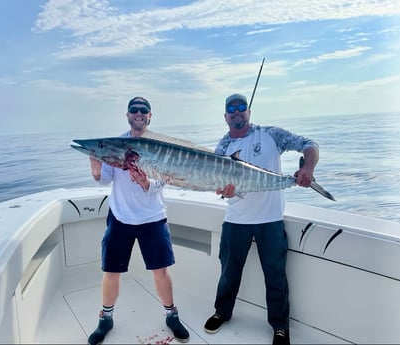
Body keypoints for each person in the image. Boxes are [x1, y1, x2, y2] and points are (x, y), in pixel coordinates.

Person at [204, 93, 320, 345]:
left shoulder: (270, 135)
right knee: (229, 272)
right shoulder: (222, 148)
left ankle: (280, 327)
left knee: (275, 275)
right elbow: (217, 185)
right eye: (231, 109)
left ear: (248, 112)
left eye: (241, 107)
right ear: (225, 116)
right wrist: (224, 191)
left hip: (270, 220)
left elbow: (309, 143)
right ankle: (221, 312)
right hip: (236, 220)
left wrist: (307, 169)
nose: (236, 112)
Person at [87, 97, 190, 345]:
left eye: (143, 110)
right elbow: (105, 179)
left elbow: (167, 177)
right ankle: (106, 319)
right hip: (120, 217)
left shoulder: (158, 145)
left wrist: (147, 183)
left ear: (150, 116)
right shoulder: (115, 144)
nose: (139, 113)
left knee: (161, 271)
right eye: (134, 110)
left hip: (152, 218)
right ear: (128, 115)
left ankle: (171, 315)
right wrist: (95, 168)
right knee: (111, 271)